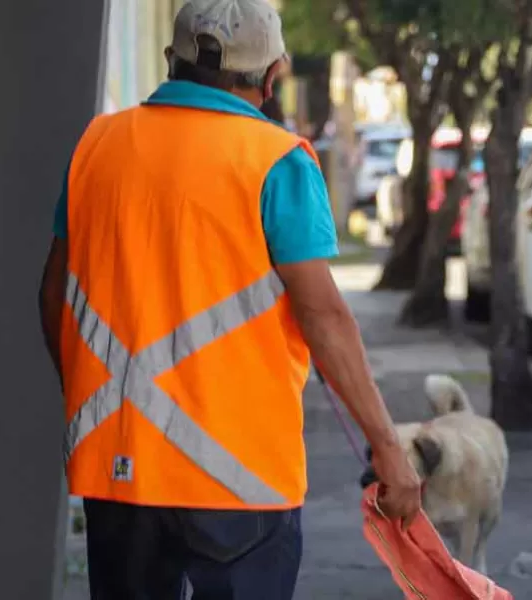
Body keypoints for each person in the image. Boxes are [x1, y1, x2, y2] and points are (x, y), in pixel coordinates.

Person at [35, 0, 421, 597]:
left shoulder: (97, 147)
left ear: (171, 61)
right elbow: (323, 317)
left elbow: (54, 291)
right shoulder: (276, 161)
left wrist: (92, 399)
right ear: (273, 77)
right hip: (241, 479)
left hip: (120, 469)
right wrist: (389, 450)